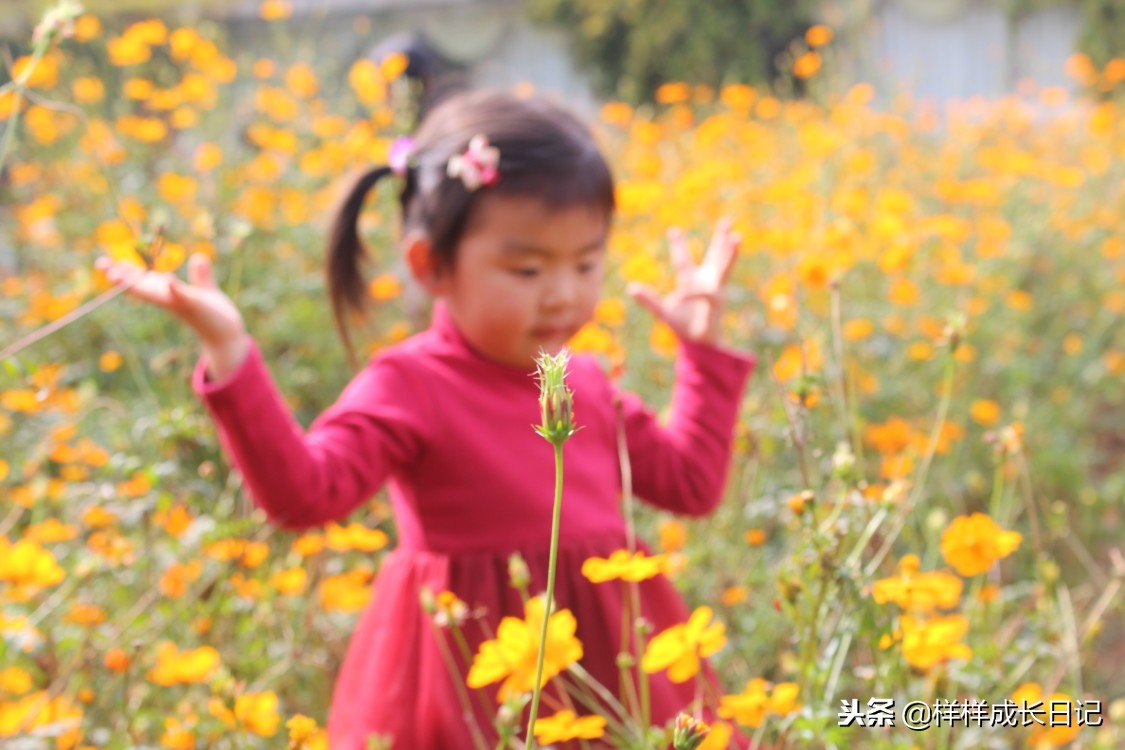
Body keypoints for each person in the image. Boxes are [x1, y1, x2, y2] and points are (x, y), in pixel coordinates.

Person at [95, 89, 755, 749]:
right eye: (527, 268)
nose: (563, 293)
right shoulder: (410, 385)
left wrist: (701, 353)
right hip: (467, 684)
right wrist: (230, 354)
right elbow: (302, 496)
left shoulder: (581, 382)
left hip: (607, 675)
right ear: (430, 264)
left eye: (586, 263)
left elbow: (691, 486)